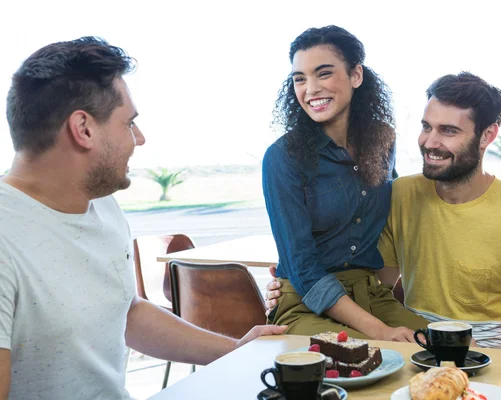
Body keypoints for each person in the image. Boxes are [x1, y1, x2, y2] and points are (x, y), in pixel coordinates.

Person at [0, 37, 286, 399]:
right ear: (83, 129)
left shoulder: (101, 203)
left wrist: (237, 351)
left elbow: (125, 312)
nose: (140, 138)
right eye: (129, 123)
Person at [266, 72, 501, 351]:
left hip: (490, 367)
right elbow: (375, 284)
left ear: (487, 135)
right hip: (413, 350)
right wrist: (295, 283)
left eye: (448, 131)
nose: (430, 141)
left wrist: (492, 368)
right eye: (426, 126)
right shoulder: (401, 196)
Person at [262, 25, 427, 342]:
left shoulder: (383, 140)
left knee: (443, 348)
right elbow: (303, 268)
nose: (309, 89)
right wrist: (381, 332)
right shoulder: (282, 158)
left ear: (356, 76)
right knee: (363, 355)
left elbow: (385, 223)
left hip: (373, 297)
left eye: (323, 74)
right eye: (299, 79)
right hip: (306, 304)